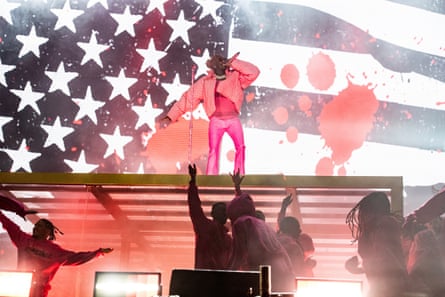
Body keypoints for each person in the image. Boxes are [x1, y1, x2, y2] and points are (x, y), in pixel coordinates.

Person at [160, 53, 260, 175]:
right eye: (217, 62)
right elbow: (188, 99)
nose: (220, 63)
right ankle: (211, 177)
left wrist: (234, 63)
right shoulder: (205, 82)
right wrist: (170, 116)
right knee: (213, 150)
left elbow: (254, 72)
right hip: (216, 121)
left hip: (233, 119)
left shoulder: (236, 77)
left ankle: (239, 176)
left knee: (240, 147)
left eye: (222, 61)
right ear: (213, 65)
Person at [0, 206, 113, 297]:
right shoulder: (23, 239)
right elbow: (10, 225)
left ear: (48, 232)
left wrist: (98, 253)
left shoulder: (55, 251)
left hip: (39, 291)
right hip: (20, 288)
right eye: (36, 226)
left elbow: (77, 257)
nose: (35, 228)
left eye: (40, 227)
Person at [226, 171, 295, 293]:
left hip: (266, 277)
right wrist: (237, 188)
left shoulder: (240, 223)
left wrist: (224, 277)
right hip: (283, 276)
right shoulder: (261, 224)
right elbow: (242, 203)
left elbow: (237, 255)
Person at [345, 191, 408, 297]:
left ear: (372, 212)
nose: (362, 216)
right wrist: (359, 269)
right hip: (384, 289)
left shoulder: (384, 225)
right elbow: (382, 263)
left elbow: (386, 263)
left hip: (389, 291)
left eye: (365, 212)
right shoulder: (374, 229)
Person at [187, 163, 232, 269]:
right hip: (218, 281)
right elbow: (195, 207)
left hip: (205, 280)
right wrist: (193, 182)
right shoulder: (206, 228)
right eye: (222, 211)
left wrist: (193, 181)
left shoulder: (226, 239)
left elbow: (194, 208)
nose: (223, 213)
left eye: (224, 211)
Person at [277, 193, 316, 277]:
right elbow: (298, 270)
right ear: (291, 230)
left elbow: (281, 224)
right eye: (297, 228)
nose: (299, 230)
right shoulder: (293, 246)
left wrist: (283, 208)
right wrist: (307, 265)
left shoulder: (275, 240)